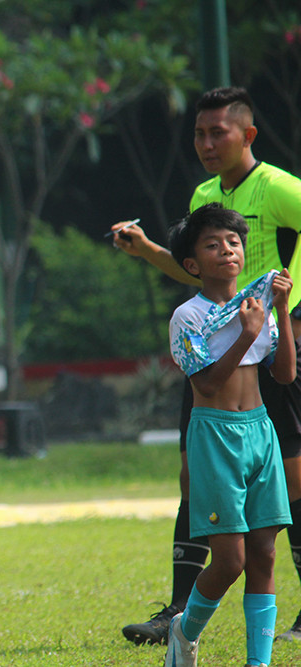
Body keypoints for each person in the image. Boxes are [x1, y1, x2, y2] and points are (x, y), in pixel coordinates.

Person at [112, 86, 301, 645]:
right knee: (192, 481)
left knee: (290, 485)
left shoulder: (279, 186)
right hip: (226, 354)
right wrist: (149, 249)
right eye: (199, 132)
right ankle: (177, 611)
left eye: (218, 131)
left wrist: (288, 307)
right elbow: (196, 273)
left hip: (273, 337)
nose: (207, 142)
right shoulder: (204, 195)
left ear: (248, 134)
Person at [163, 202, 294, 667]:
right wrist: (245, 332)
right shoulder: (189, 317)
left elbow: (284, 374)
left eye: (233, 242)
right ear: (193, 264)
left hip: (260, 433)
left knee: (264, 553)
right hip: (215, 437)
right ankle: (185, 631)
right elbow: (207, 384)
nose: (227, 250)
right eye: (213, 245)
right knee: (230, 561)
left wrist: (278, 307)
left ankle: (258, 662)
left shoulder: (257, 306)